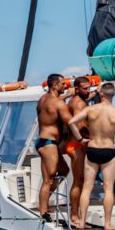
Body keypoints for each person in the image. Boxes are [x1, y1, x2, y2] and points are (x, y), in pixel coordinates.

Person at [69, 82, 115, 230]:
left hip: (92, 149)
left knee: (86, 188)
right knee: (108, 189)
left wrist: (81, 140)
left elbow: (71, 122)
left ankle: (81, 222)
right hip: (108, 151)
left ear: (101, 94)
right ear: (113, 95)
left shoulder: (91, 109)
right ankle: (107, 224)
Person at [35, 75, 71, 221]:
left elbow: (53, 104)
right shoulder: (56, 102)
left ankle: (44, 202)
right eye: (63, 84)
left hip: (44, 141)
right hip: (49, 143)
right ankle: (43, 212)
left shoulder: (43, 99)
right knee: (48, 179)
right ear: (55, 85)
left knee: (64, 171)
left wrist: (67, 95)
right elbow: (70, 121)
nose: (65, 86)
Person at [65, 77, 95, 227]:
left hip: (73, 144)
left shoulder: (75, 100)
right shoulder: (78, 103)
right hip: (76, 145)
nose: (88, 91)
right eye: (84, 88)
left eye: (89, 88)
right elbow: (79, 124)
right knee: (79, 180)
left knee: (80, 180)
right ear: (77, 89)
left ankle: (75, 215)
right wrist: (89, 135)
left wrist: (92, 97)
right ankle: (74, 216)